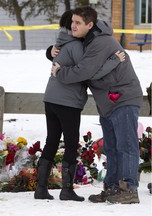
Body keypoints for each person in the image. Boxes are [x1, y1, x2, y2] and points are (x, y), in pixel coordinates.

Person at [53, 6, 143, 204]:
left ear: (90, 25)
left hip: (124, 98)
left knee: (126, 145)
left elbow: (83, 71)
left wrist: (60, 73)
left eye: (77, 23)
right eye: (72, 22)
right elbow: (67, 50)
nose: (73, 25)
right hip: (108, 103)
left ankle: (129, 189)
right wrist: (50, 52)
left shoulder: (100, 42)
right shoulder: (88, 41)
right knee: (111, 148)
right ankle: (112, 188)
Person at [34, 10, 125, 201]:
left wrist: (50, 52)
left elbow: (63, 59)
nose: (76, 26)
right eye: (74, 23)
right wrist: (114, 60)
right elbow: (89, 72)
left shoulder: (63, 43)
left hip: (51, 98)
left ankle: (40, 188)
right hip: (67, 101)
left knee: (51, 140)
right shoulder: (76, 46)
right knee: (70, 143)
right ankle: (66, 190)